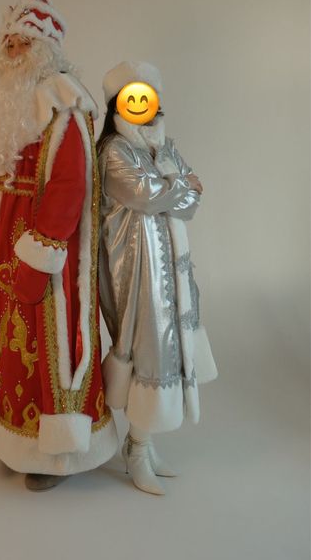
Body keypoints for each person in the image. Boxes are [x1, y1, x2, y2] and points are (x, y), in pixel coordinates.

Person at [0, 0, 118, 490]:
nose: (13, 50)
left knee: (48, 347)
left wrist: (40, 256)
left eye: (23, 42)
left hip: (46, 253)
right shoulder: (13, 102)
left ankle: (54, 454)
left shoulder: (63, 101)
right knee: (11, 349)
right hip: (4, 250)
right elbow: (4, 177)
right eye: (8, 42)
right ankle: (15, 439)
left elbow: (69, 185)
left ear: (46, 49)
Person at [97, 60, 217, 495]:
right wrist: (182, 185)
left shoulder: (163, 147)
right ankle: (137, 451)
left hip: (170, 271)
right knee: (148, 352)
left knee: (169, 352)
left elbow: (189, 204)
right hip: (135, 274)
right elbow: (146, 195)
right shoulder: (114, 151)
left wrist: (177, 189)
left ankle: (141, 444)